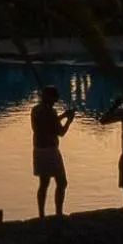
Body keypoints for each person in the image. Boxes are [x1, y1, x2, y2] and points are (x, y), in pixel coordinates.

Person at [30, 85, 75, 217]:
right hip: (50, 150)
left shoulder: (35, 110)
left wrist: (62, 116)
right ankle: (59, 213)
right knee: (61, 182)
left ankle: (41, 214)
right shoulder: (51, 112)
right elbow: (60, 132)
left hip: (38, 150)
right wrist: (69, 121)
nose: (55, 102)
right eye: (55, 99)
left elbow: (48, 123)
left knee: (44, 183)